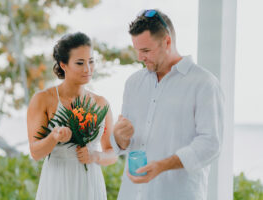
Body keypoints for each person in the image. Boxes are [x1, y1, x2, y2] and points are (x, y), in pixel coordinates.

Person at [111, 9, 224, 200]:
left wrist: (162, 165)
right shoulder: (133, 83)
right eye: (137, 50)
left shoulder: (204, 83)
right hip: (132, 194)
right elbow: (125, 142)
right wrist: (119, 137)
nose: (140, 57)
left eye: (146, 50)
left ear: (167, 41)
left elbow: (211, 143)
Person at [27, 32, 117, 200]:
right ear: (63, 65)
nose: (88, 69)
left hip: (90, 183)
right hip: (57, 182)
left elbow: (112, 153)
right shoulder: (43, 99)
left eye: (91, 61)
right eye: (80, 63)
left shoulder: (101, 103)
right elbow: (35, 153)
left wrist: (96, 156)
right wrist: (54, 137)